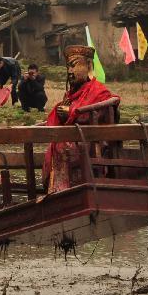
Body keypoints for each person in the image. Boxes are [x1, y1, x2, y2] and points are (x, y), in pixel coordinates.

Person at [43, 45, 117, 193]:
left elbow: (99, 114)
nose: (70, 72)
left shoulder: (99, 91)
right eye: (68, 67)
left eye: (74, 66)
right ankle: (58, 190)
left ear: (89, 66)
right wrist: (62, 113)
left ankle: (65, 190)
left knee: (63, 148)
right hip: (72, 138)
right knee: (55, 146)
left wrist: (72, 112)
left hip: (93, 141)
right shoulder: (70, 94)